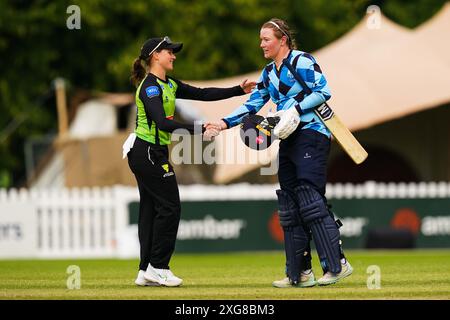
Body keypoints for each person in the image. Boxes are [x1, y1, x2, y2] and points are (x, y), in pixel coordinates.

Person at [206, 18, 353, 287]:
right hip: (287, 137)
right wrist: (224, 123)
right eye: (261, 39)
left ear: (282, 39)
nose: (261, 44)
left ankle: (337, 264)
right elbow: (253, 104)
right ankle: (300, 273)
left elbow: (323, 91)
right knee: (289, 203)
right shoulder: (268, 73)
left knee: (309, 197)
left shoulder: (302, 61)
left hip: (312, 133)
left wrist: (295, 110)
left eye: (266, 39)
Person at [125, 36, 255, 287]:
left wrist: (238, 90)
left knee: (151, 209)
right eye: (169, 52)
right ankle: (159, 267)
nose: (173, 55)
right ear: (155, 56)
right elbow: (163, 123)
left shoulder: (169, 84)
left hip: (151, 152)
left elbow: (203, 94)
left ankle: (145, 270)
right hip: (148, 152)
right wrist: (201, 128)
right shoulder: (151, 87)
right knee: (170, 207)